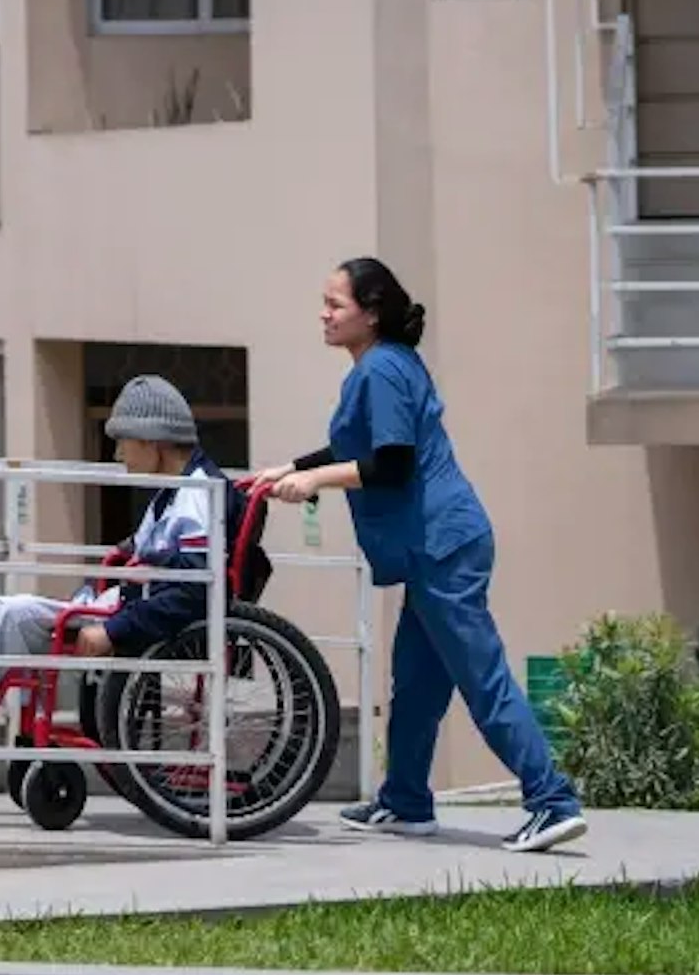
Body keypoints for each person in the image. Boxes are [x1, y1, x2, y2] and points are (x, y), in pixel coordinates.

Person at [249, 256, 587, 853]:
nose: (322, 314)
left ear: (370, 314)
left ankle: (552, 801)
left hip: (442, 546)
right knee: (418, 682)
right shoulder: (384, 365)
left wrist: (317, 482)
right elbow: (358, 444)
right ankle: (405, 801)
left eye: (335, 304)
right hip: (435, 546)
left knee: (482, 678)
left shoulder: (380, 369)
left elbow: (393, 463)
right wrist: (293, 468)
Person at [0, 374, 247, 772]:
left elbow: (195, 589)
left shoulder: (197, 496)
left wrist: (115, 630)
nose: (117, 455)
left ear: (151, 442)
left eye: (122, 443)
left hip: (132, 616)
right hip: (118, 604)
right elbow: (158, 563)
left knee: (9, 616)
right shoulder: (174, 494)